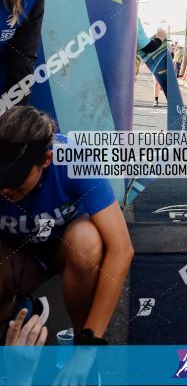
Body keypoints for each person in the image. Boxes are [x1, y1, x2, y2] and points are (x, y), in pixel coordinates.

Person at [0, 106, 134, 344]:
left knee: (87, 239)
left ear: (47, 159)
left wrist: (89, 341)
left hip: (67, 250)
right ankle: (14, 316)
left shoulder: (74, 157)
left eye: (16, 179)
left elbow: (121, 249)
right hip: (21, 257)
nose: (6, 189)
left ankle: (79, 336)